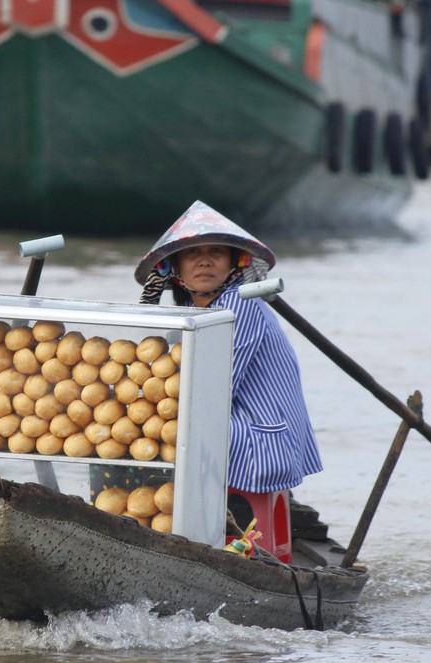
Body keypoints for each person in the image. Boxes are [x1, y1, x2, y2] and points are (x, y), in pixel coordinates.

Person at [135, 200, 322, 554]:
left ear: (235, 262)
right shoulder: (194, 310)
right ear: (174, 267)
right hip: (239, 430)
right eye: (193, 254)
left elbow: (210, 391)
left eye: (216, 252)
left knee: (150, 438)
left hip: (261, 442)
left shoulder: (241, 304)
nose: (204, 261)